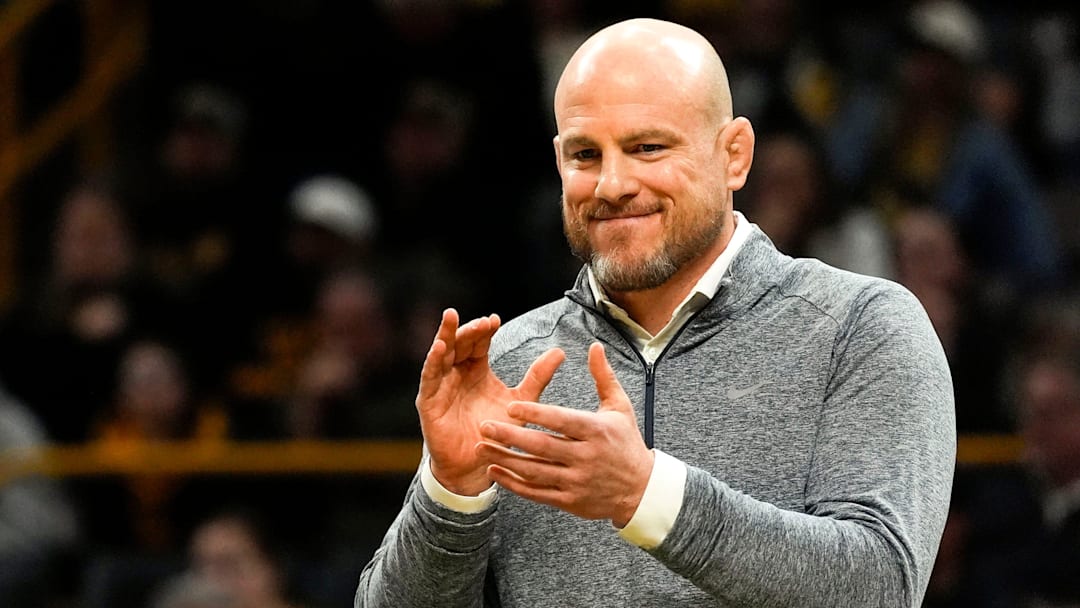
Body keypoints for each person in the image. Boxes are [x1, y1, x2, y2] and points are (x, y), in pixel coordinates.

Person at [356, 17, 955, 607]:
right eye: (586, 155)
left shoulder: (863, 329)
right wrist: (452, 492)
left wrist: (646, 496)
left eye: (647, 148)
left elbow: (881, 584)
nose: (612, 184)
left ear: (735, 156)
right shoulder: (510, 364)